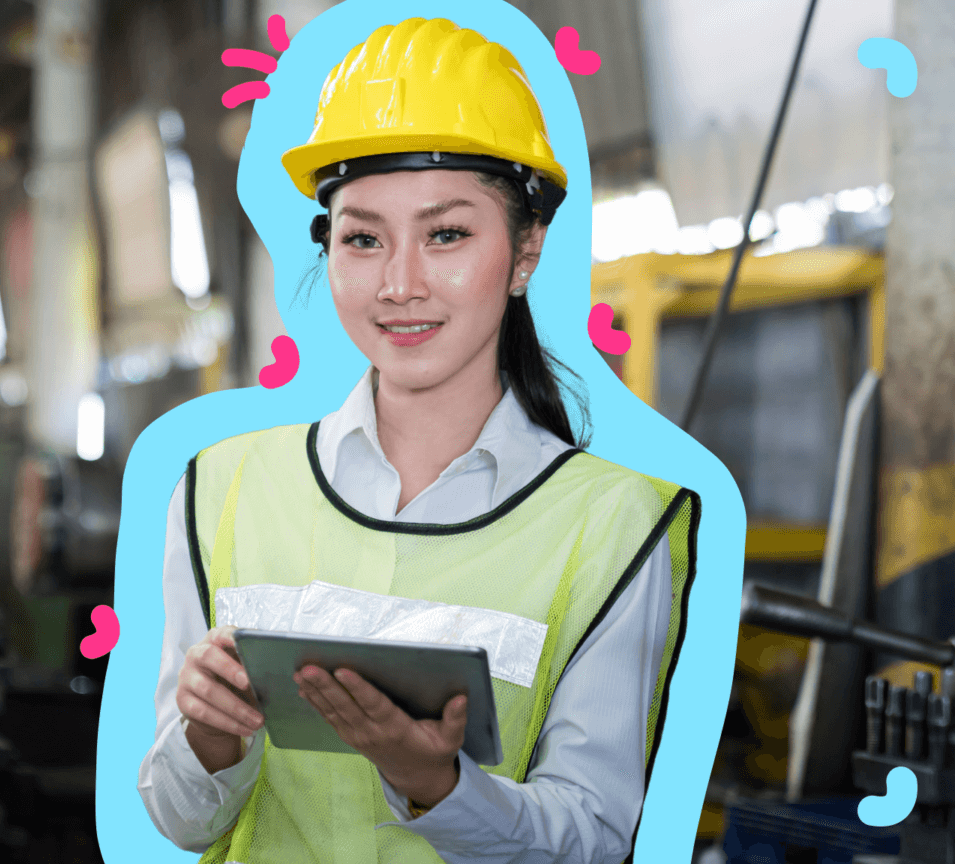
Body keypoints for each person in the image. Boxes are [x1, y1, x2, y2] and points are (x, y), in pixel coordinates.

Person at [136, 18, 700, 864]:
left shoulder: (617, 524)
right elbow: (182, 822)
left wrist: (437, 786)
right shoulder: (222, 487)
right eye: (363, 237)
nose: (399, 284)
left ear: (524, 254)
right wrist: (209, 741)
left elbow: (592, 838)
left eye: (446, 234)